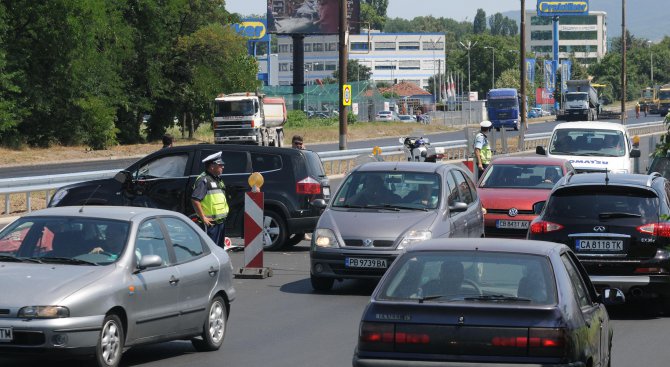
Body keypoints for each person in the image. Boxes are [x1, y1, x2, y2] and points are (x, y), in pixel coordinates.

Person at [191, 152, 229, 247]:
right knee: (211, 250)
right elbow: (195, 199)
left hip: (220, 222)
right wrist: (203, 217)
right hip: (211, 224)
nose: (223, 167)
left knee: (219, 249)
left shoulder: (217, 179)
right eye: (220, 165)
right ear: (212, 166)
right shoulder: (204, 180)